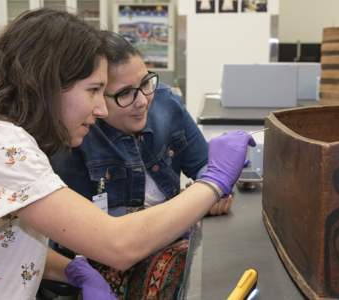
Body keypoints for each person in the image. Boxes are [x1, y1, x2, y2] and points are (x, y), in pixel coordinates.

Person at [0, 7, 255, 300]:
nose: (100, 110)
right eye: (94, 91)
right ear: (47, 83)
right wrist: (213, 181)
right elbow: (118, 245)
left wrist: (70, 270)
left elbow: (9, 236)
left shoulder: (1, 137)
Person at [50, 30, 232, 218]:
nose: (143, 101)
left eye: (145, 83)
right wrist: (186, 207)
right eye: (125, 93)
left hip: (175, 231)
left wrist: (213, 185)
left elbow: (203, 162)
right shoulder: (75, 134)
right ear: (97, 95)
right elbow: (80, 220)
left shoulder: (168, 103)